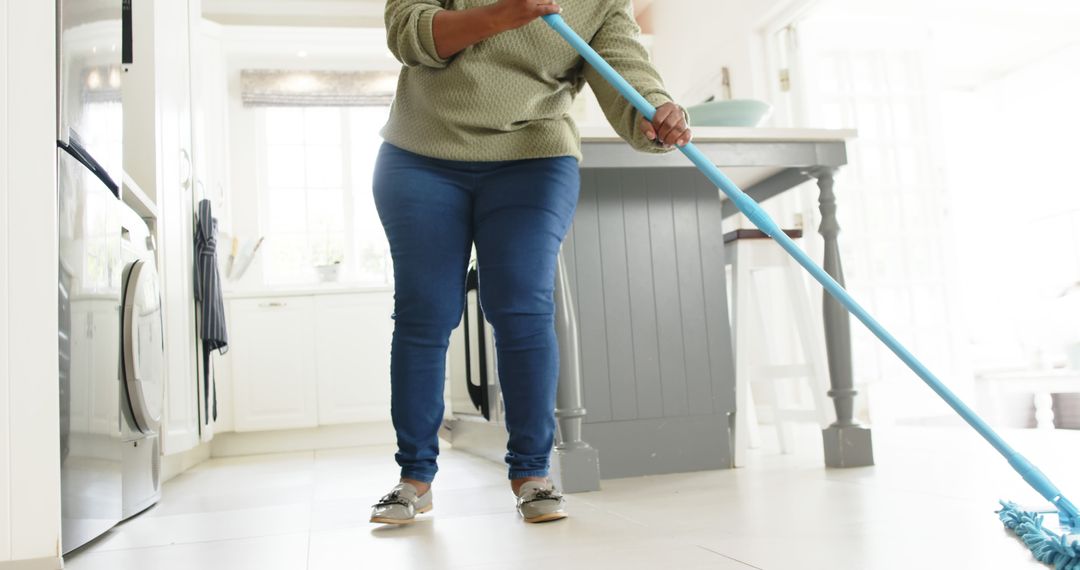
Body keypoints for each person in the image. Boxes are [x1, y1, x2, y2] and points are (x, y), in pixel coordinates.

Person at [369, 0, 691, 525]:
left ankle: (532, 475)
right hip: (421, 155)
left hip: (533, 156)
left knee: (521, 306)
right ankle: (414, 480)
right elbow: (407, 32)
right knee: (424, 313)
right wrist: (502, 14)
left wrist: (654, 111)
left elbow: (623, 68)